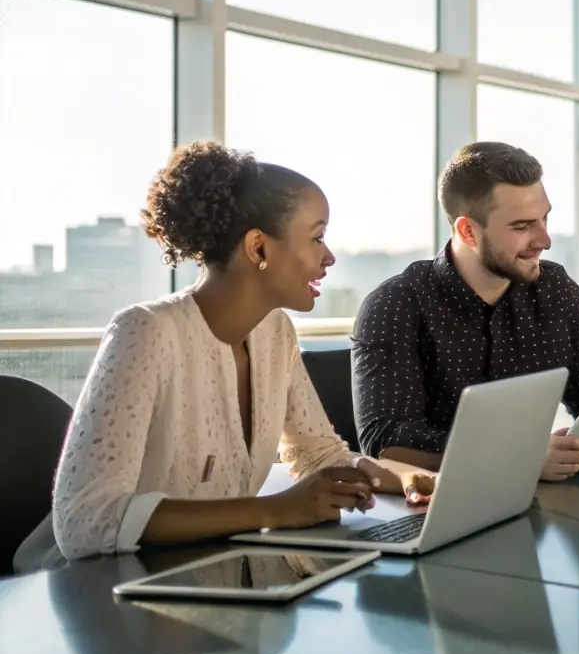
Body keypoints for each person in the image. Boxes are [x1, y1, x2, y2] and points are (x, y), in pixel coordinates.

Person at [17, 142, 433, 569]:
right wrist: (275, 510)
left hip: (202, 578)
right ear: (258, 248)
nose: (328, 256)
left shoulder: (275, 334)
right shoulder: (145, 333)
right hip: (93, 591)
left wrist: (400, 476)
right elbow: (87, 521)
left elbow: (317, 456)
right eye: (317, 237)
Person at [351, 142, 579, 480]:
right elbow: (384, 439)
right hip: (431, 510)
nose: (544, 240)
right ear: (468, 231)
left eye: (545, 218)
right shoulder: (396, 304)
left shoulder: (556, 291)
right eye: (522, 226)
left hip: (539, 508)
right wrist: (516, 455)